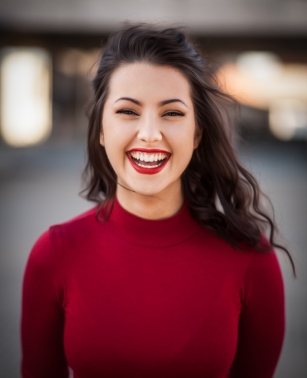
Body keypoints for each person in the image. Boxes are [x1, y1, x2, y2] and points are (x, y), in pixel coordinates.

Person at [21, 23, 294, 378]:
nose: (150, 134)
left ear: (197, 133)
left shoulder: (251, 259)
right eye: (128, 111)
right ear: (101, 130)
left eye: (172, 113)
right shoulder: (54, 254)